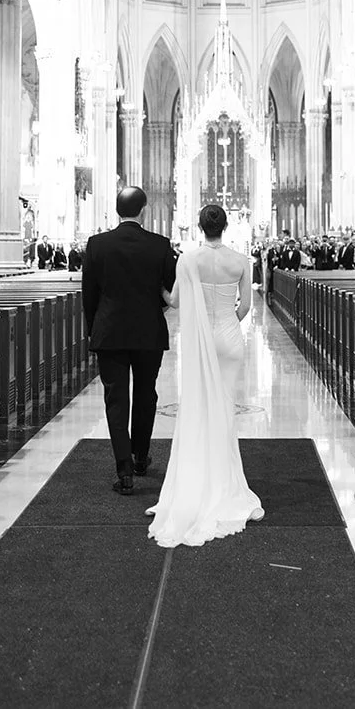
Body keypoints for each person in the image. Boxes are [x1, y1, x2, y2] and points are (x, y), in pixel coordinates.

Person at [147, 203, 264, 547]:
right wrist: (227, 324)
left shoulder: (189, 259)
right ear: (225, 226)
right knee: (224, 407)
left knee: (198, 408)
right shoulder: (241, 260)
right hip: (229, 338)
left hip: (201, 342)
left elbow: (175, 301)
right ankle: (225, 483)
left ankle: (197, 484)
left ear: (199, 227)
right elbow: (245, 306)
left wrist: (156, 288)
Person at [82, 187, 178, 496]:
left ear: (116, 209)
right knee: (146, 393)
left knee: (116, 398)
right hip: (148, 332)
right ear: (144, 210)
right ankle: (140, 457)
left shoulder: (97, 245)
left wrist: (93, 329)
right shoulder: (159, 245)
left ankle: (123, 469)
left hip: (109, 332)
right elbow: (170, 289)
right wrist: (152, 307)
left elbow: (89, 295)